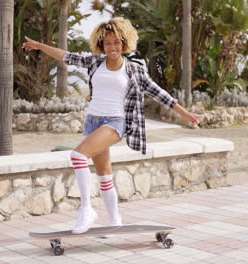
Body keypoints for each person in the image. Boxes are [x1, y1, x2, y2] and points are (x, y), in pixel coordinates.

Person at [22, 17, 203, 234]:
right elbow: (65, 56)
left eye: (116, 42)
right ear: (101, 45)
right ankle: (115, 219)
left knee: (78, 156)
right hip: (93, 122)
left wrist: (186, 114)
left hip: (116, 122)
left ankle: (86, 209)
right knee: (105, 174)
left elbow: (160, 94)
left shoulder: (134, 70)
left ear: (124, 43)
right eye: (107, 43)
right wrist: (39, 46)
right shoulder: (95, 62)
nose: (112, 47)